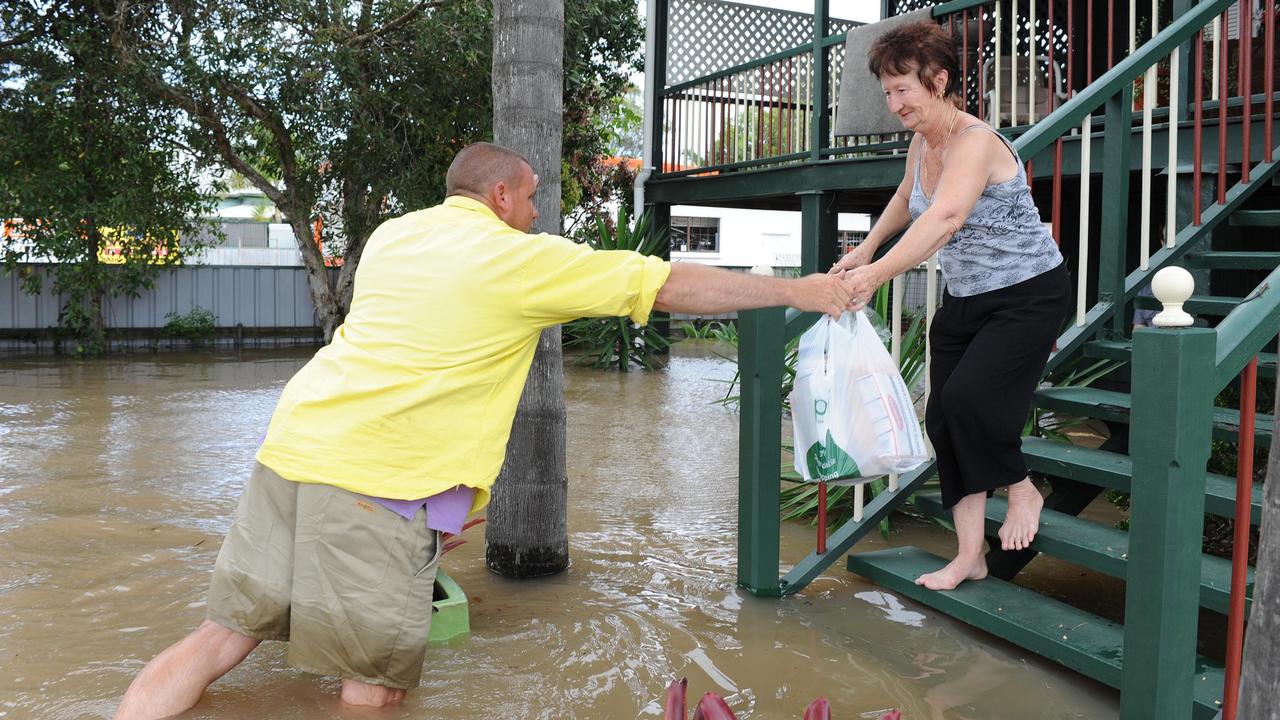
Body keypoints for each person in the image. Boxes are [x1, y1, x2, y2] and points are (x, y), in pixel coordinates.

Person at [114, 142, 857, 719]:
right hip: (377, 483)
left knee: (222, 638)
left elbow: (428, 362)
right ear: (500, 195)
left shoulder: (396, 236)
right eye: (532, 199)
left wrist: (446, 512)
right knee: (373, 688)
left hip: (292, 451)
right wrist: (800, 290)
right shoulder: (515, 258)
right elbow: (664, 285)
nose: (538, 214)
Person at [831, 22, 1070, 591]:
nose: (894, 105)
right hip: (967, 297)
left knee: (968, 400)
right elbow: (906, 200)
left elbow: (943, 217)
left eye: (903, 91)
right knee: (942, 415)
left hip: (1027, 294)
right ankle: (971, 555)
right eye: (887, 93)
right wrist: (866, 246)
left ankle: (1020, 486)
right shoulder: (924, 142)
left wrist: (876, 274)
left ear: (938, 81)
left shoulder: (976, 142)